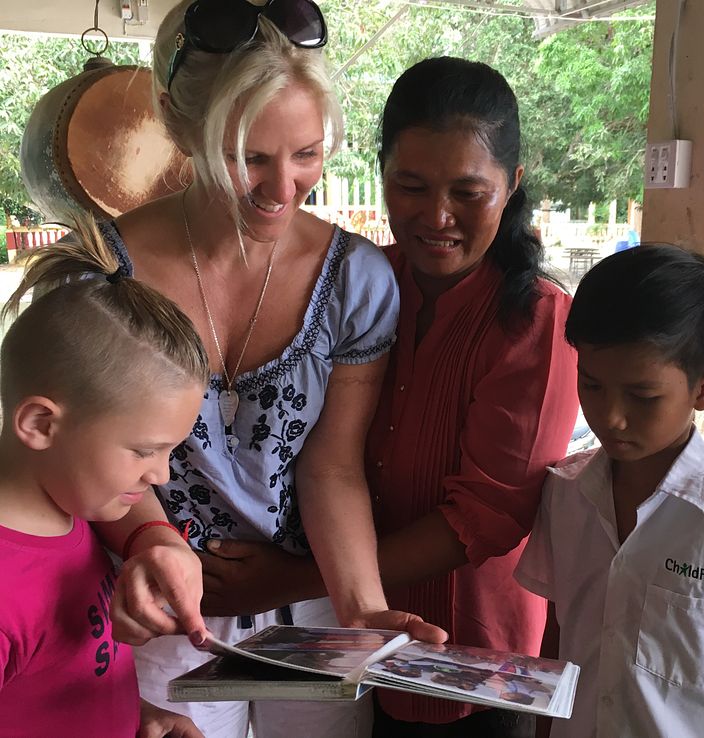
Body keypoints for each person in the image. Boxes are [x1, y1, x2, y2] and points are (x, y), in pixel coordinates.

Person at [201, 56, 579, 737]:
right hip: (349, 631)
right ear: (381, 175)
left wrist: (289, 581)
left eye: (470, 193)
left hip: (469, 656)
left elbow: (483, 518)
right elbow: (326, 455)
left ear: (512, 184)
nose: (437, 217)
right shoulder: (358, 285)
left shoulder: (539, 323)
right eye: (410, 185)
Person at [97, 1, 445, 737]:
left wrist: (360, 606)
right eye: (247, 156)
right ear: (177, 120)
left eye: (308, 154)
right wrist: (153, 544)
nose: (282, 188)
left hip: (310, 612)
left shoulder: (354, 280)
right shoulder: (102, 273)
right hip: (159, 610)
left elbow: (332, 467)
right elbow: (98, 456)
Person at [515, 244, 704, 738]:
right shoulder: (564, 495)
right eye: (592, 386)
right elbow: (557, 638)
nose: (610, 417)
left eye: (642, 396)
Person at [0, 216, 208, 738]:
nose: (159, 474)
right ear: (41, 424)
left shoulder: (71, 517)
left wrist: (138, 716)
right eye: (143, 451)